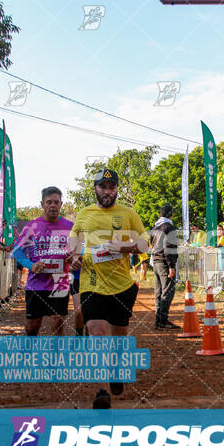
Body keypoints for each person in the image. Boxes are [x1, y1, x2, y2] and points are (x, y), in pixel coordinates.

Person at [68, 168, 149, 409]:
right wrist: (74, 256)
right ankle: (101, 391)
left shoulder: (128, 213)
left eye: (111, 187)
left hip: (121, 286)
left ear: (116, 189)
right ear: (95, 188)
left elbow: (145, 242)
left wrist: (126, 248)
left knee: (118, 339)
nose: (107, 191)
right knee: (96, 333)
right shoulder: (84, 214)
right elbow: (74, 239)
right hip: (92, 284)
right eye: (103, 187)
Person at [13, 187, 73, 337]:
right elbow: (17, 251)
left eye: (56, 202)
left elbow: (78, 251)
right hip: (36, 283)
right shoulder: (31, 226)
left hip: (60, 281)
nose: (52, 205)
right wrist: (31, 265)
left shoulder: (70, 227)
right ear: (42, 204)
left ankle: (55, 357)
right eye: (49, 202)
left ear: (61, 204)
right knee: (33, 326)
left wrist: (75, 259)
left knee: (58, 322)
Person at [151, 204, 179, 330]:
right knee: (168, 291)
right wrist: (171, 266)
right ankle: (163, 320)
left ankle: (159, 320)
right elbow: (168, 247)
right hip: (164, 261)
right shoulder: (169, 227)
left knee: (159, 291)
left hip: (155, 260)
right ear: (171, 215)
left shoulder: (155, 227)